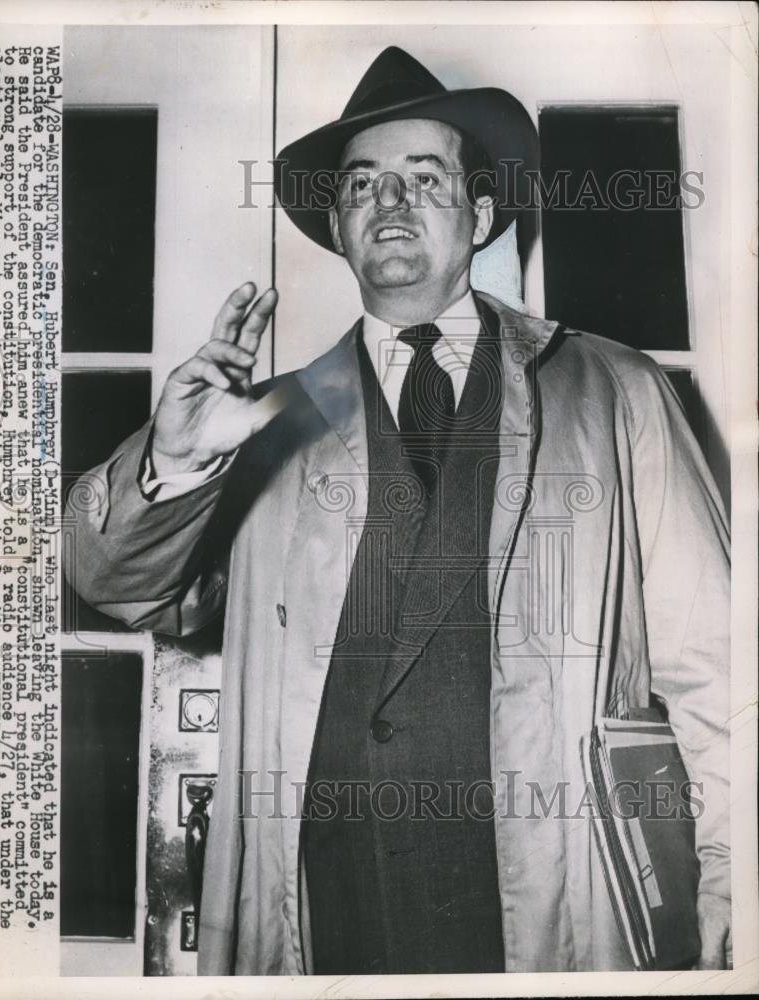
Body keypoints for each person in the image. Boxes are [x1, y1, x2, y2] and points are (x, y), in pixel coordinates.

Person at [65, 47, 731, 974]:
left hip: (545, 893)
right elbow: (114, 585)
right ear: (337, 225)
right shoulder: (271, 418)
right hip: (325, 899)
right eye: (364, 184)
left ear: (482, 214)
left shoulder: (614, 390)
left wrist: (732, 883)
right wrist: (174, 459)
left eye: (426, 178)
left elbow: (719, 669)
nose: (391, 203)